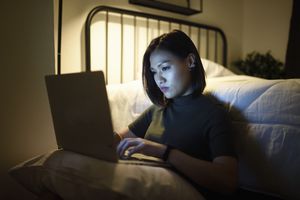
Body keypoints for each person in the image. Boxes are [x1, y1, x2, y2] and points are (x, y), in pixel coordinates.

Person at [114, 29, 238, 199]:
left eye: (165, 68)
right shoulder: (157, 109)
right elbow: (119, 139)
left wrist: (165, 152)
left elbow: (227, 181)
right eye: (154, 71)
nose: (159, 79)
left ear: (190, 61)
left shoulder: (214, 114)